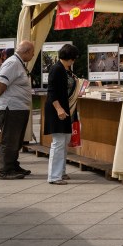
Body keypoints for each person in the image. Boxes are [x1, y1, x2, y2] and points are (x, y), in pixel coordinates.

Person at [0, 40, 35, 180]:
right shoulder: (12, 63)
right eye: (32, 52)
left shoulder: (18, 63)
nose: (33, 54)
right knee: (9, 140)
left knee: (16, 140)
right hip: (10, 108)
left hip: (18, 108)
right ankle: (5, 170)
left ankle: (13, 165)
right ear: (27, 51)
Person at [44, 43, 80, 185]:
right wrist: (59, 109)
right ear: (70, 57)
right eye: (74, 58)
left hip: (63, 109)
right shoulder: (57, 69)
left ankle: (61, 172)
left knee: (64, 141)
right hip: (57, 109)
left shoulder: (62, 69)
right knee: (58, 143)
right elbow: (51, 91)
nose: (74, 61)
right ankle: (54, 176)